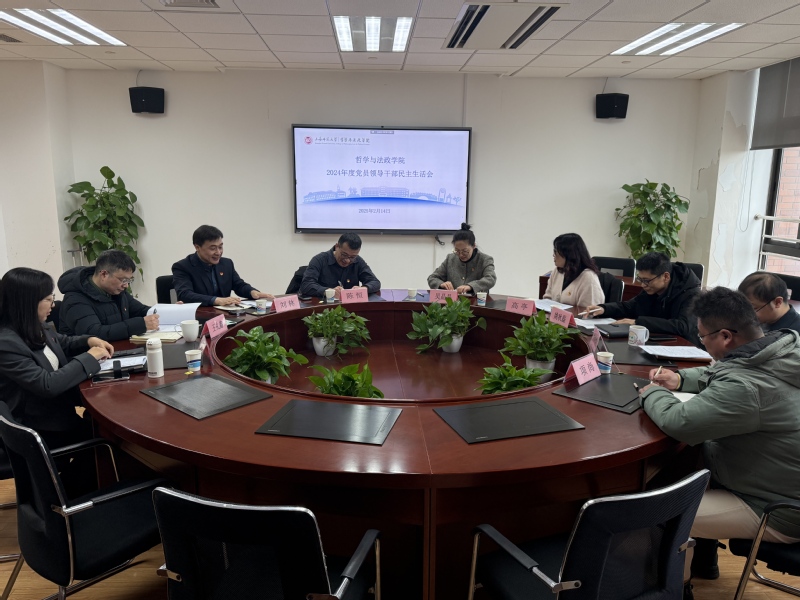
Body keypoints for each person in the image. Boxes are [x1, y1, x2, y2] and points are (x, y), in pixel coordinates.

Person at [640, 287, 800, 584]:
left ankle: (676, 589)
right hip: (777, 485)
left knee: (661, 512)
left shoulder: (745, 388)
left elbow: (680, 422)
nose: (702, 342)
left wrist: (650, 393)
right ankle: (701, 564)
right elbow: (727, 374)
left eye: (702, 337)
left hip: (777, 509)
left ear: (725, 336)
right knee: (686, 472)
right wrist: (680, 378)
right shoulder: (782, 350)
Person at [0, 268, 113, 448]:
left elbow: (62, 342)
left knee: (105, 424)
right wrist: (89, 357)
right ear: (27, 303)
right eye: (48, 299)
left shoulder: (34, 325)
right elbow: (47, 385)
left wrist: (88, 340)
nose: (53, 304)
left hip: (59, 414)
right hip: (40, 429)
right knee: (112, 436)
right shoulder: (6, 343)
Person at [585, 252, 701, 344]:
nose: (643, 285)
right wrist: (604, 308)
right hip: (655, 341)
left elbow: (682, 326)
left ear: (666, 276)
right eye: (640, 279)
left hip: (683, 347)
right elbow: (631, 306)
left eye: (646, 280)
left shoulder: (691, 293)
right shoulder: (652, 288)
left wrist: (638, 322)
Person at [57, 249, 158, 341]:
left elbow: (140, 310)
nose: (126, 285)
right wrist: (140, 325)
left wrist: (163, 312)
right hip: (88, 353)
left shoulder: (116, 290)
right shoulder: (75, 299)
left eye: (129, 280)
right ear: (104, 274)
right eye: (123, 280)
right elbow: (94, 334)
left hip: (117, 348)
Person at [172, 225, 274, 307]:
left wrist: (252, 292)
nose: (218, 252)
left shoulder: (226, 263)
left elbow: (238, 285)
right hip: (199, 317)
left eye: (220, 247)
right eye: (213, 248)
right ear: (197, 247)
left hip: (225, 316)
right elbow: (185, 294)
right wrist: (216, 300)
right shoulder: (182, 267)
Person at [300, 233, 381, 299]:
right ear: (337, 246)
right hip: (324, 308)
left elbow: (375, 282)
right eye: (344, 255)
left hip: (350, 308)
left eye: (352, 257)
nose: (347, 260)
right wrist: (328, 291)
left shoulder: (358, 261)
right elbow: (306, 285)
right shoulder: (320, 260)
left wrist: (364, 288)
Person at [427, 223, 496, 294]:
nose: (461, 254)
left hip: (476, 300)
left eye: (465, 251)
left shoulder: (485, 259)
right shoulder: (450, 259)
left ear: (474, 246)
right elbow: (432, 278)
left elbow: (491, 278)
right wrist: (441, 284)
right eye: (457, 251)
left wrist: (471, 286)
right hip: (453, 301)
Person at [542, 233, 602, 306]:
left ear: (568, 254)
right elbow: (547, 299)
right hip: (554, 313)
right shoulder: (557, 271)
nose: (553, 255)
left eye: (556, 251)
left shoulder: (588, 277)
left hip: (577, 314)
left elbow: (589, 310)